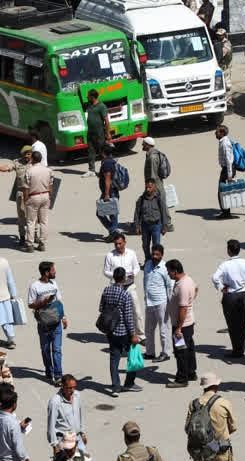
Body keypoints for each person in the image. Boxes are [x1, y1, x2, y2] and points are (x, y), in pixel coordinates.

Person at [186, 373, 237, 461]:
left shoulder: (194, 404)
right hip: (222, 449)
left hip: (203, 452)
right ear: (216, 385)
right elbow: (233, 427)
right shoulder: (224, 403)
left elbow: (187, 428)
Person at [101, 267, 142, 395]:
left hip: (111, 331)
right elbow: (129, 317)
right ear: (124, 279)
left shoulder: (106, 290)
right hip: (124, 332)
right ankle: (129, 383)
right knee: (132, 357)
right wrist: (134, 334)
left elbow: (101, 308)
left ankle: (115, 387)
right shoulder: (125, 294)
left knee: (114, 359)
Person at [213, 240, 245, 358]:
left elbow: (215, 278)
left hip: (230, 296)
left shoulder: (225, 265)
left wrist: (221, 287)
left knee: (232, 323)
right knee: (241, 322)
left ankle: (237, 349)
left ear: (229, 250)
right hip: (242, 295)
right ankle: (241, 345)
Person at [27, 261, 66, 383]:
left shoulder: (54, 283)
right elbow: (30, 304)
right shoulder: (34, 286)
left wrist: (64, 317)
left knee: (57, 350)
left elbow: (59, 301)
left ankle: (58, 375)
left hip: (56, 323)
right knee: (45, 350)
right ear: (46, 272)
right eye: (53, 270)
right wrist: (43, 302)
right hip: (43, 324)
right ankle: (49, 371)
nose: (55, 272)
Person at [24, 149, 54, 251]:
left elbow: (26, 188)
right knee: (44, 221)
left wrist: (26, 201)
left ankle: (30, 244)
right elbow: (51, 186)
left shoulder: (29, 171)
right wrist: (49, 196)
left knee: (31, 222)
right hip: (45, 195)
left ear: (32, 159)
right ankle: (42, 243)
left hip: (33, 196)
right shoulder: (48, 170)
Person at [133, 179, 169, 260]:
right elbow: (137, 214)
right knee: (145, 245)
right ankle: (148, 260)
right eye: (146, 187)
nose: (147, 189)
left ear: (154, 187)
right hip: (145, 226)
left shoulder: (158, 199)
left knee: (156, 245)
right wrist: (137, 227)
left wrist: (164, 226)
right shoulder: (141, 199)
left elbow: (164, 212)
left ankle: (156, 261)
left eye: (149, 187)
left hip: (156, 225)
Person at [95, 144, 123, 236]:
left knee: (101, 213)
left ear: (103, 153)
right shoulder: (111, 161)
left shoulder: (106, 163)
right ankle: (113, 231)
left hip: (109, 192)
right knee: (112, 213)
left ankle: (113, 232)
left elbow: (108, 179)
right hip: (113, 190)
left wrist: (106, 194)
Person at [84, 89, 111, 175]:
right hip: (90, 132)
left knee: (102, 152)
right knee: (90, 151)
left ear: (92, 97)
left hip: (99, 133)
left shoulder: (101, 106)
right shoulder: (89, 105)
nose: (87, 97)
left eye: (88, 96)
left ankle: (106, 169)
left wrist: (108, 133)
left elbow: (106, 121)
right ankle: (91, 170)